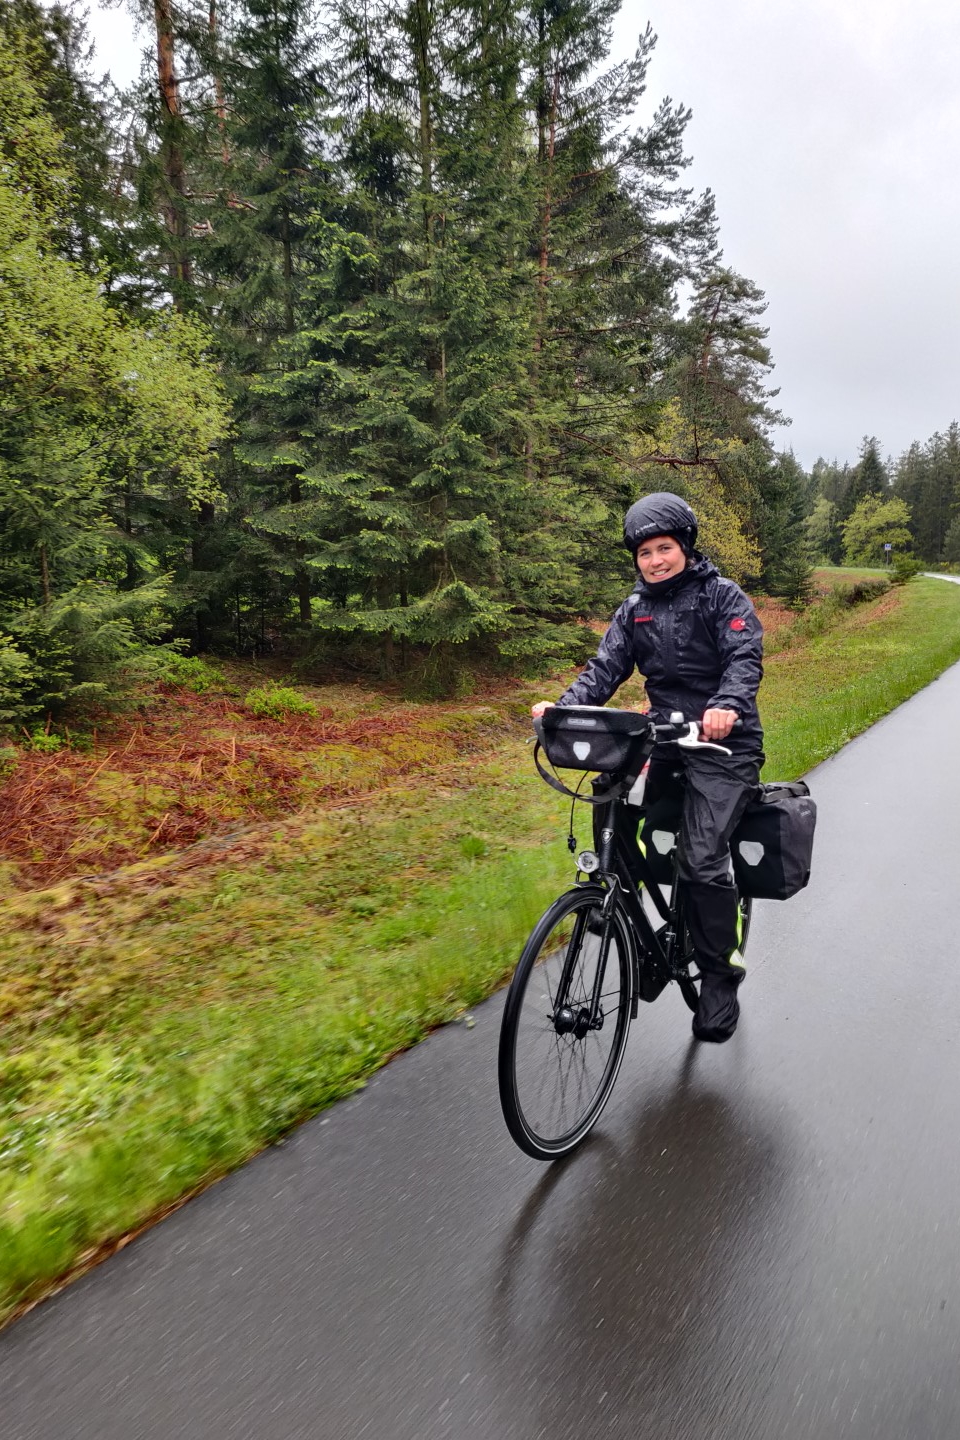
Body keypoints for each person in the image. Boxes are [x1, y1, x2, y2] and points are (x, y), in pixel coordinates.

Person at [531, 491, 764, 1043]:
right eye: (645, 553)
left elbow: (743, 658)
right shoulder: (634, 609)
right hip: (661, 738)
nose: (656, 560)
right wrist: (563, 710)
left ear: (684, 546)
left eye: (665, 548)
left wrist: (726, 707)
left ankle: (719, 977)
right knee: (608, 809)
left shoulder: (721, 597)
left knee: (703, 857)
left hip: (724, 747)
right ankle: (633, 928)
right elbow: (603, 668)